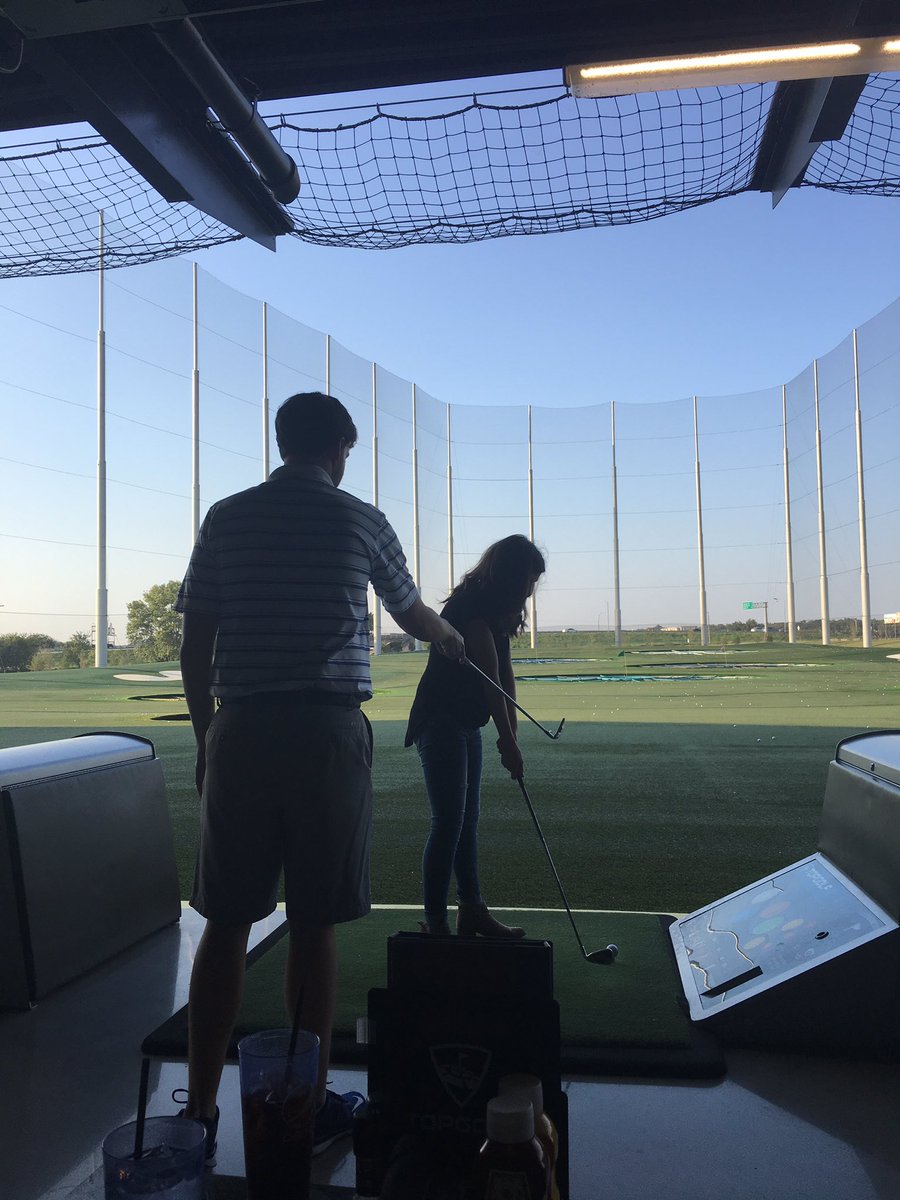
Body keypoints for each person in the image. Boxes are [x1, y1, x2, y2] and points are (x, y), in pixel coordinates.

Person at [175, 391, 465, 1162]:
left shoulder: (227, 516)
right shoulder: (361, 519)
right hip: (327, 732)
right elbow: (411, 614)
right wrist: (451, 635)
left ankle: (200, 1109)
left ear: (280, 443)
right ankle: (298, 1110)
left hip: (239, 728)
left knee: (227, 921)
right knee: (313, 924)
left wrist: (209, 740)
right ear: (340, 446)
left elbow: (195, 642)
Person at [405, 534, 546, 937]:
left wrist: (512, 736)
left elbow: (506, 672)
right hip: (439, 721)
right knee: (448, 822)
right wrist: (506, 742)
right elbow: (490, 681)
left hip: (466, 723)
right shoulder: (471, 610)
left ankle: (472, 911)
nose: (531, 590)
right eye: (529, 581)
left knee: (467, 822)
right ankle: (435, 923)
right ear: (511, 576)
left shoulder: (497, 610)